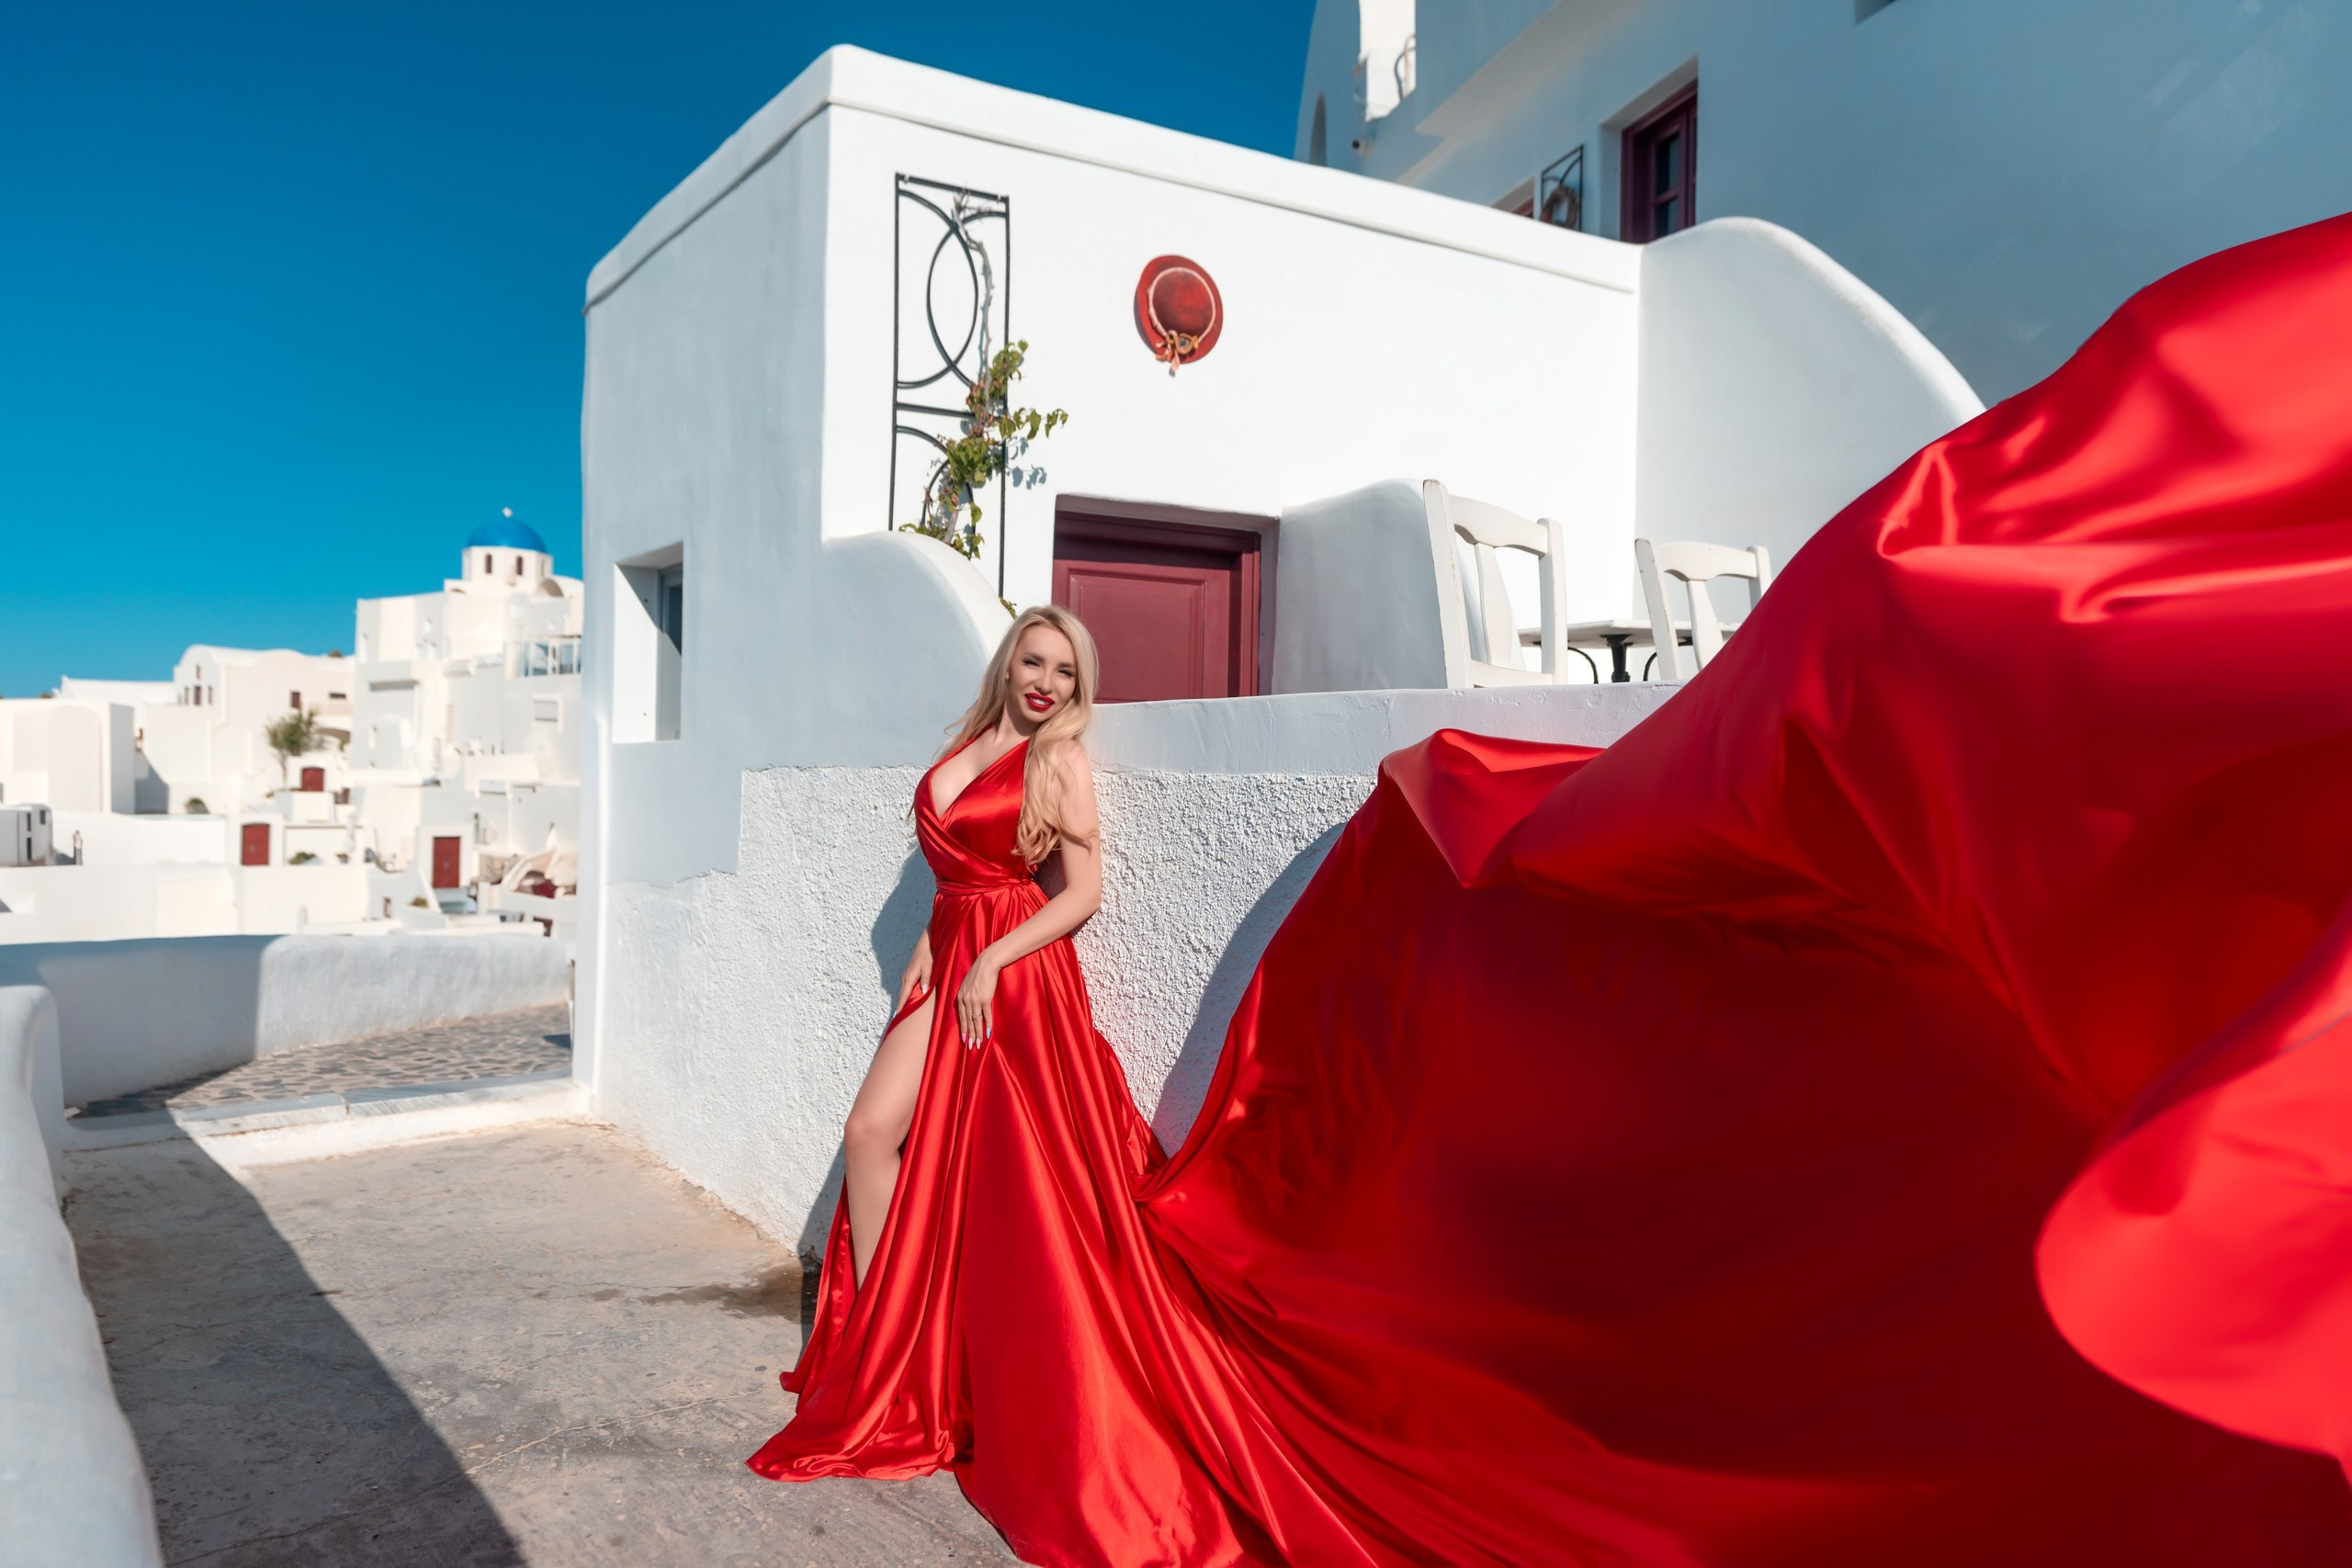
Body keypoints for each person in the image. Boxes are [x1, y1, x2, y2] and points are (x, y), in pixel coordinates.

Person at [756, 216, 2352, 1566]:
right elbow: (954, 867)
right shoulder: (974, 742)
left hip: (1009, 985)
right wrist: (936, 962)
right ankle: (889, 1344)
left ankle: (896, 1356)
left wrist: (991, 956)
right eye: (1030, 665)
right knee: (879, 1143)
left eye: (1061, 667)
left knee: (932, 1168)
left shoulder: (1067, 764)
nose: (1045, 684)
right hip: (950, 975)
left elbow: (1084, 893)